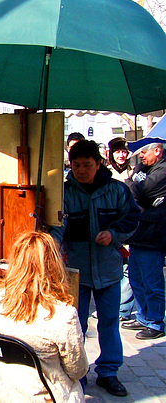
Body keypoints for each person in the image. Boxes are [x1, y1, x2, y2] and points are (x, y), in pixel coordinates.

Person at [51, 139, 139, 397]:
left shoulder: (117, 191)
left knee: (110, 322)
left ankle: (109, 371)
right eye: (76, 165)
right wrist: (53, 247)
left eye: (87, 165)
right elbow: (56, 227)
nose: (81, 170)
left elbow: (133, 219)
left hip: (109, 270)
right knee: (75, 324)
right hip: (75, 272)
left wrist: (114, 234)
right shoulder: (64, 193)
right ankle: (77, 373)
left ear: (98, 164)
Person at [0, 232, 89, 402]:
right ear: (54, 264)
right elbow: (77, 370)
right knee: (75, 385)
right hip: (41, 396)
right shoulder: (63, 314)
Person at [123, 142, 166, 340]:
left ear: (157, 151)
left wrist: (135, 184)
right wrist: (135, 181)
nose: (141, 156)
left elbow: (142, 191)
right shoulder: (145, 168)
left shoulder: (163, 170)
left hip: (153, 235)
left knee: (152, 282)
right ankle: (142, 316)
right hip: (138, 233)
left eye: (144, 152)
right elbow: (131, 188)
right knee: (137, 280)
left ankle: (155, 322)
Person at [107, 137, 134, 321]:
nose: (121, 155)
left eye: (124, 152)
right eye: (117, 152)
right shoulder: (107, 174)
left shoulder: (134, 172)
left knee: (129, 270)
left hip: (130, 227)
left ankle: (122, 309)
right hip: (111, 228)